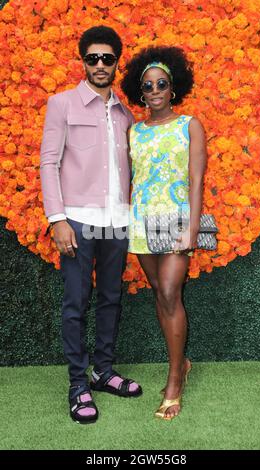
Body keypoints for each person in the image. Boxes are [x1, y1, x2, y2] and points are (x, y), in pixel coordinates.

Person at [40, 26, 142, 425]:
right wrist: (58, 219)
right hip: (78, 221)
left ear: (117, 61)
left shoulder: (125, 113)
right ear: (82, 61)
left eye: (107, 58)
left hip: (116, 222)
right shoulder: (62, 104)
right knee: (76, 303)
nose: (100, 65)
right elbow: (49, 162)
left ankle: (103, 371)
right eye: (92, 58)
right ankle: (77, 384)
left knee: (112, 299)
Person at [121, 46, 207, 420]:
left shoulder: (190, 124)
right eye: (148, 85)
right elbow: (132, 178)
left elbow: (197, 178)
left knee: (171, 291)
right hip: (142, 221)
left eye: (162, 84)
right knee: (159, 292)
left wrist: (191, 228)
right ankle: (182, 362)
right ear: (141, 92)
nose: (155, 90)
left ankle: (174, 379)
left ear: (173, 88)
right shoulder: (134, 131)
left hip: (176, 219)